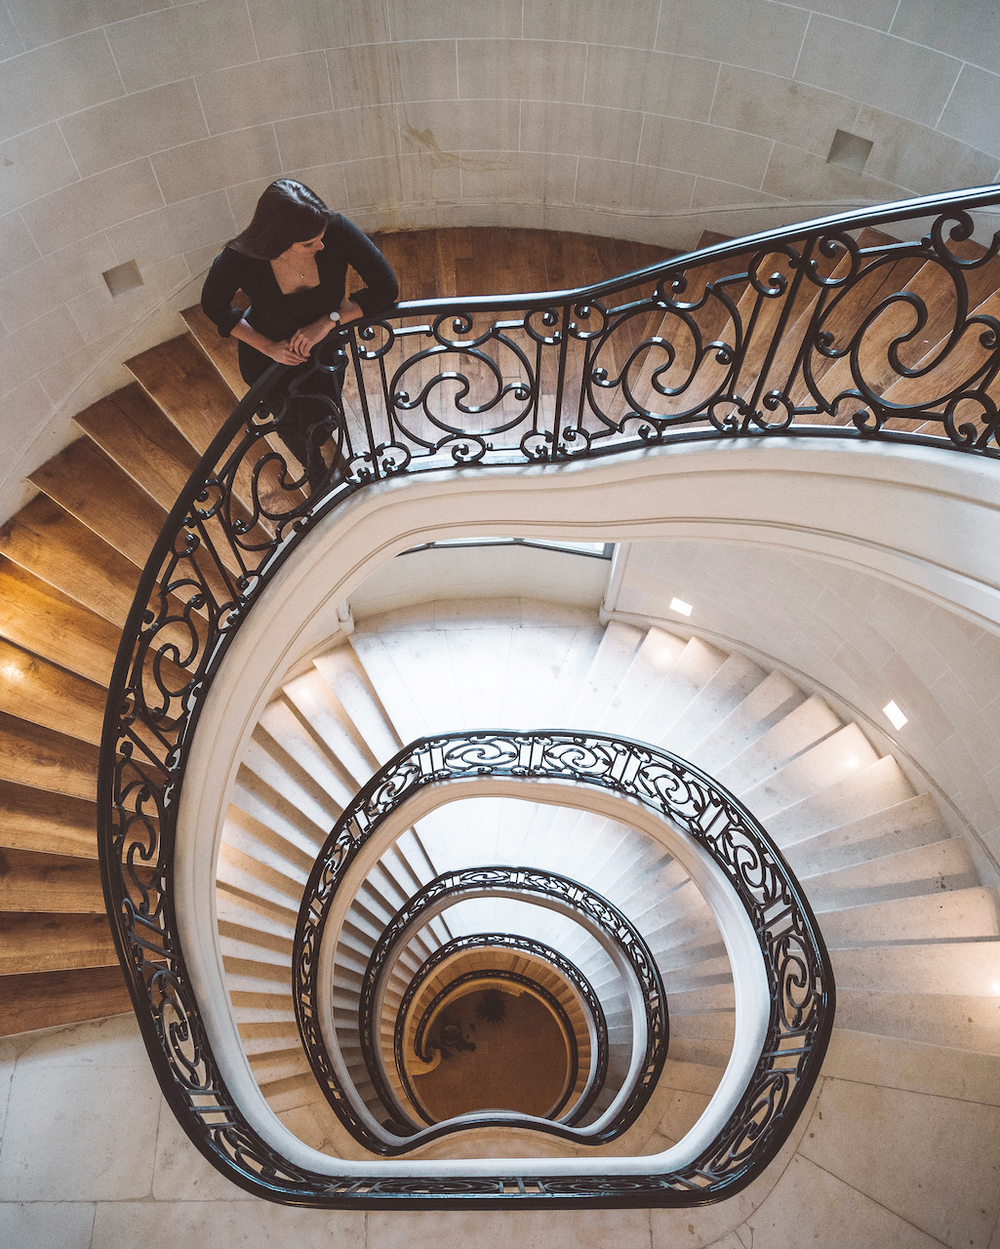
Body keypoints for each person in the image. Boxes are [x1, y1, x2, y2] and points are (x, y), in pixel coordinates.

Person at [201, 179, 398, 491]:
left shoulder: (334, 232)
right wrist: (268, 347)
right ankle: (316, 471)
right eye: (309, 244)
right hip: (269, 361)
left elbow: (387, 288)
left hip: (324, 350)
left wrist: (329, 320)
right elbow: (213, 307)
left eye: (320, 238)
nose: (321, 246)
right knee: (290, 424)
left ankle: (316, 443)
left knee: (324, 416)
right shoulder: (240, 259)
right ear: (277, 242)